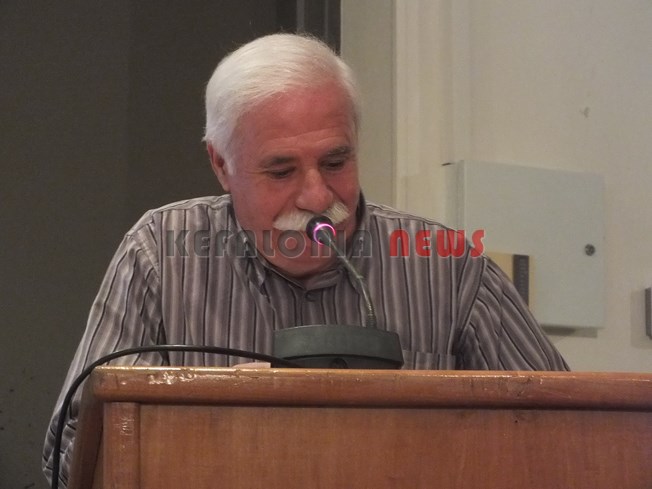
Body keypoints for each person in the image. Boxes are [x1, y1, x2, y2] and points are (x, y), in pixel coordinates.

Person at [42, 33, 568, 487]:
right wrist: (217, 419)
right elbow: (73, 456)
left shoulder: (449, 268)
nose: (317, 197)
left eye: (336, 162)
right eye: (281, 171)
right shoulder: (160, 251)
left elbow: (566, 434)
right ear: (221, 165)